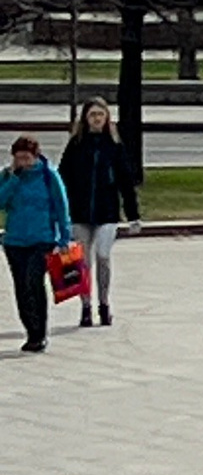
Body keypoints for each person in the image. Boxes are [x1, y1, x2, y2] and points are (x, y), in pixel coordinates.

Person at [60, 100, 138, 328]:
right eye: (92, 114)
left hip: (107, 212)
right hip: (80, 213)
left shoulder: (114, 146)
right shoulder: (76, 145)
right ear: (85, 118)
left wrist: (133, 215)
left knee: (103, 255)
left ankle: (104, 304)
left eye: (100, 115)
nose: (96, 119)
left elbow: (126, 182)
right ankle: (85, 307)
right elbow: (62, 180)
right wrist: (61, 215)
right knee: (83, 261)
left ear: (106, 118)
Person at [1, 135, 73, 355]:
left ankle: (39, 332)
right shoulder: (8, 176)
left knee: (33, 282)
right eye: (19, 158)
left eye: (27, 158)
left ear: (36, 156)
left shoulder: (48, 176)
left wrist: (64, 238)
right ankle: (30, 330)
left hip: (42, 239)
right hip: (15, 240)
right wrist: (13, 179)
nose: (23, 162)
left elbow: (61, 207)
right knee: (21, 287)